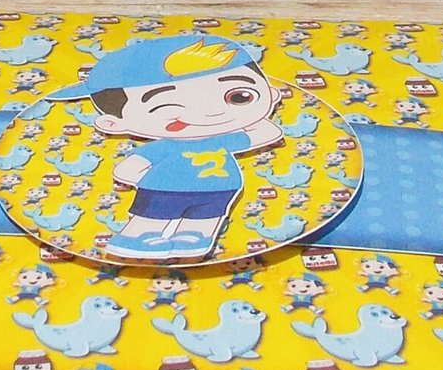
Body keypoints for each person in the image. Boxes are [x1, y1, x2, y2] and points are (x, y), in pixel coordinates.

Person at [51, 32, 283, 260]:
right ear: (113, 123)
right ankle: (133, 241)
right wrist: (151, 180)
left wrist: (256, 111)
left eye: (239, 96)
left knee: (202, 225)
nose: (212, 112)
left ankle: (193, 241)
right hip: (164, 191)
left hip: (220, 191)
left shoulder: (220, 141)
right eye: (168, 108)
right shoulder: (165, 147)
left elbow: (267, 133)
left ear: (270, 94)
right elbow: (128, 169)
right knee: (149, 222)